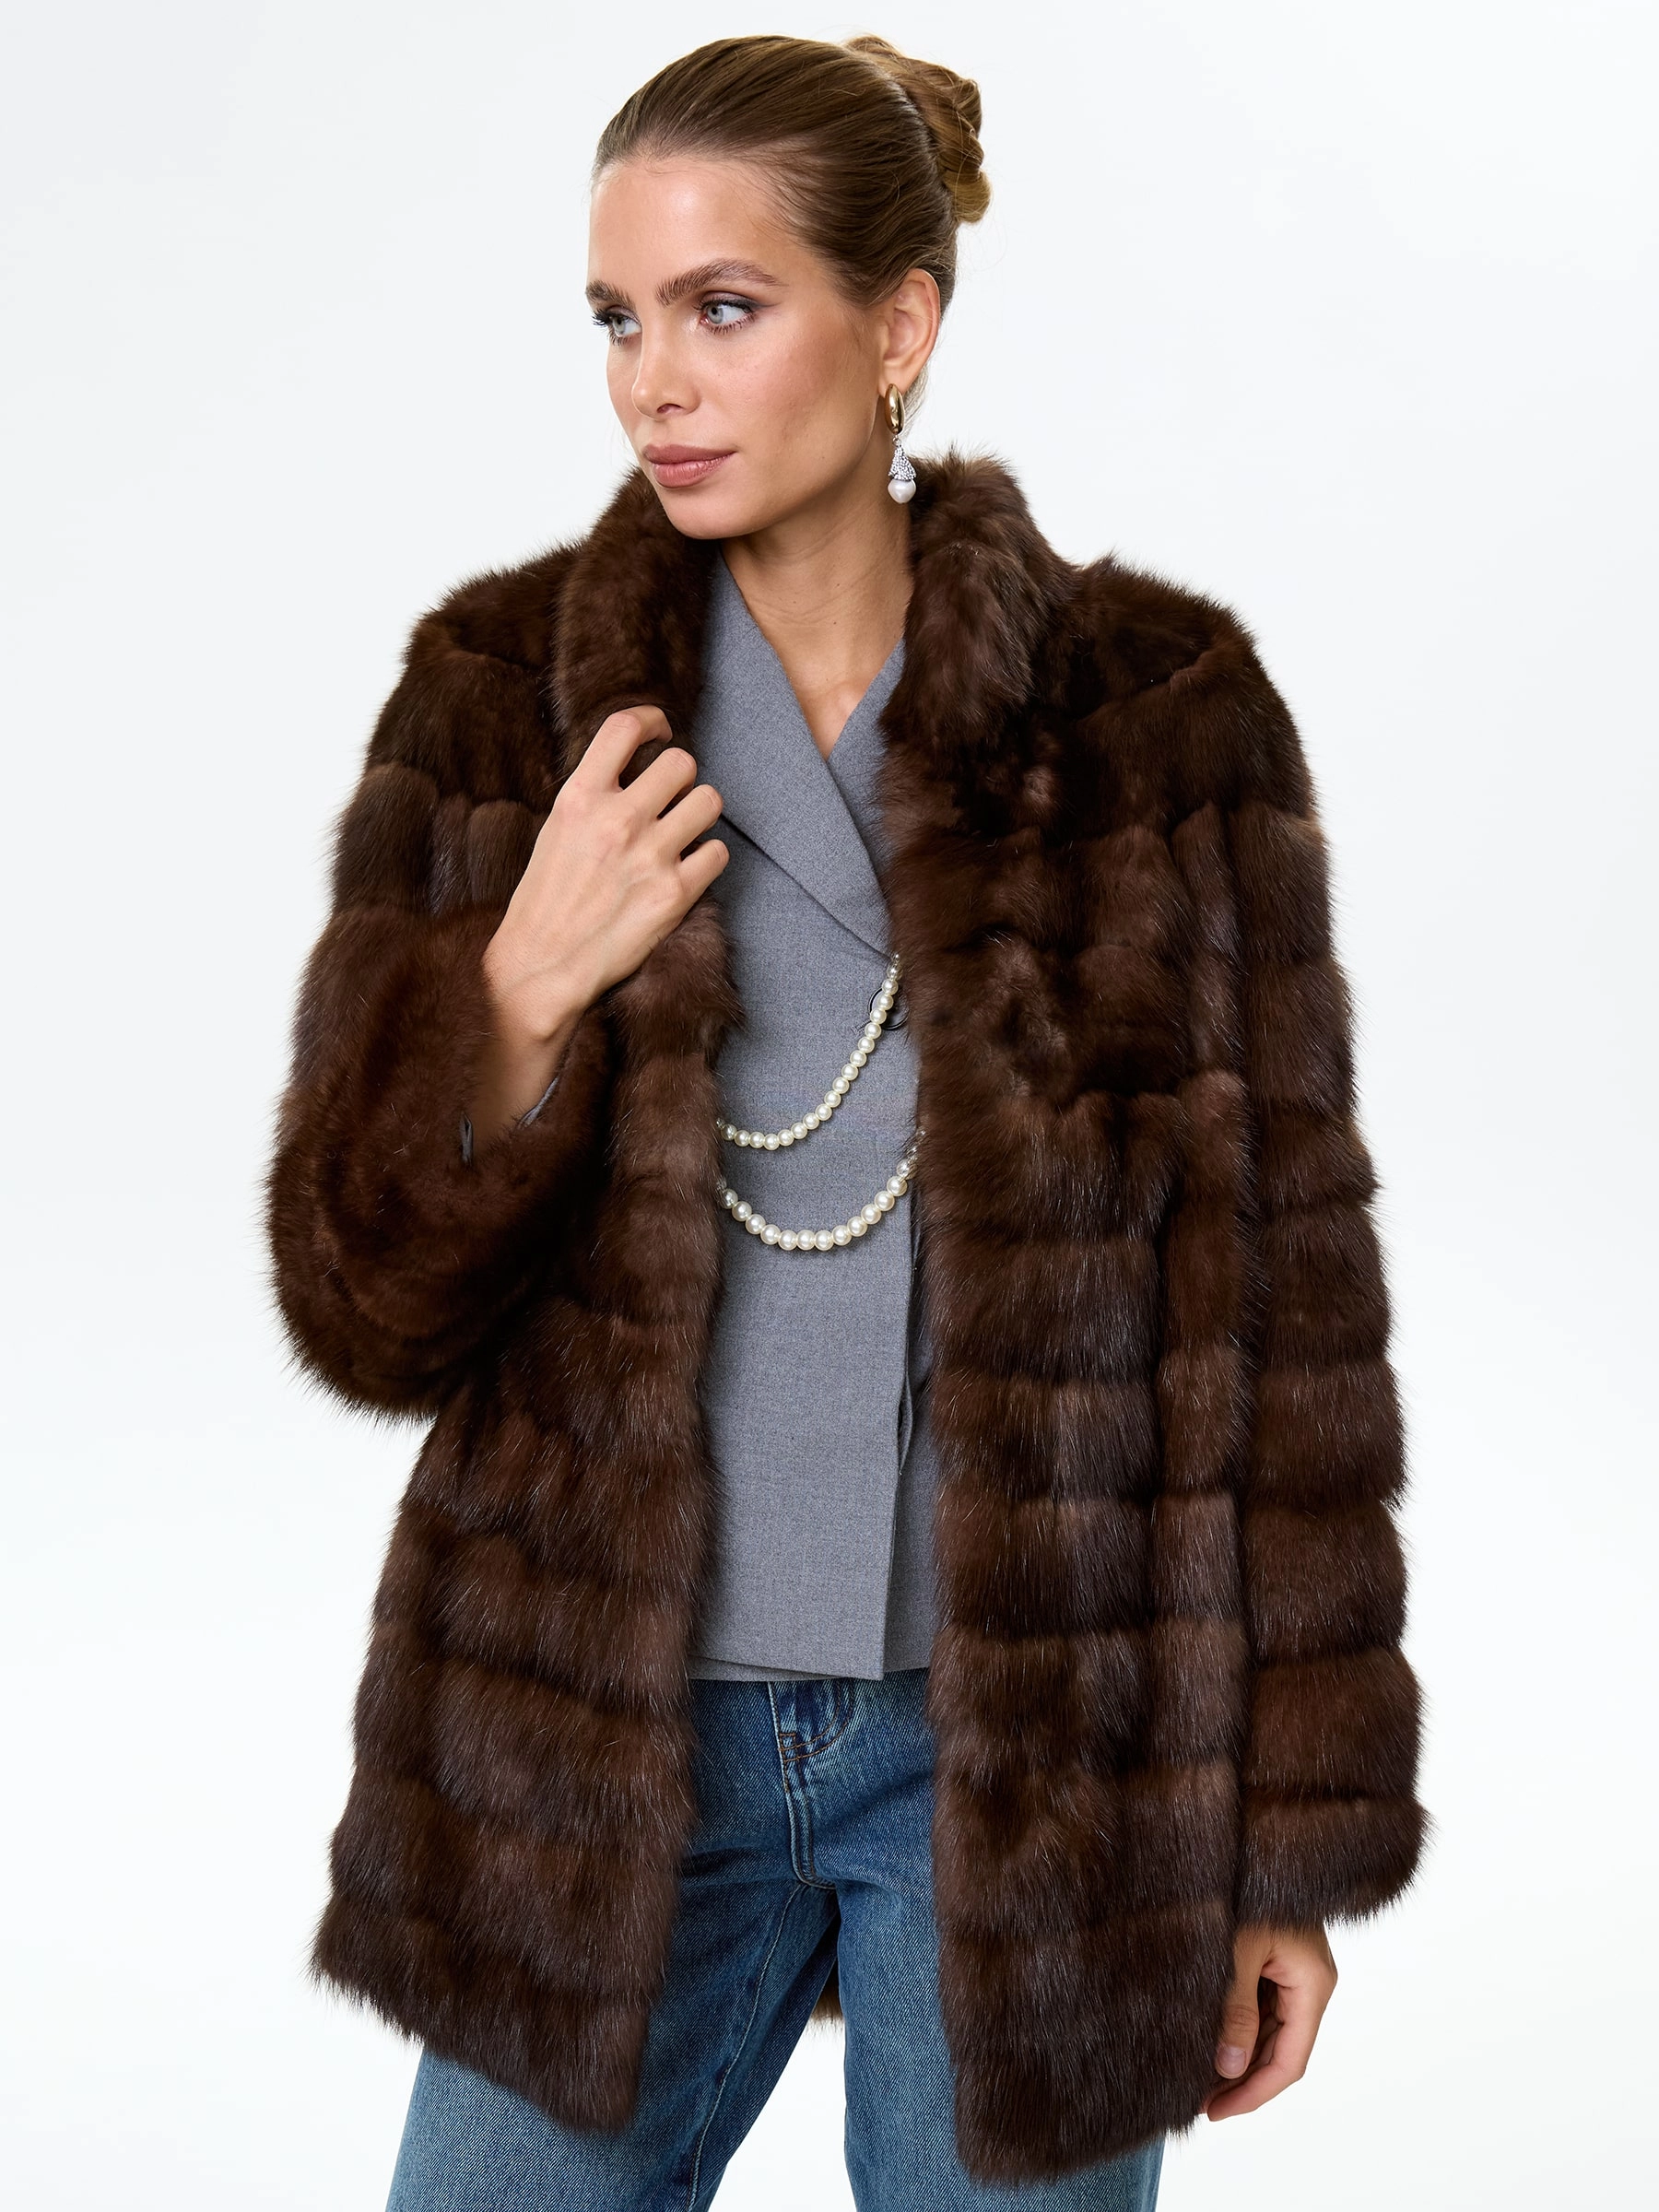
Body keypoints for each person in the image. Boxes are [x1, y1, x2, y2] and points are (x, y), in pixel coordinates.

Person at [266, 32, 1425, 2212]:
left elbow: (1288, 1299)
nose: (656, 384)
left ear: (899, 327)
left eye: (724, 307)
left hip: (1040, 1758)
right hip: (597, 1735)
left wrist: (1286, 1840)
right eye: (618, 319)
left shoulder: (1156, 719)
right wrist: (518, 990)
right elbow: (362, 1305)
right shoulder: (505, 702)